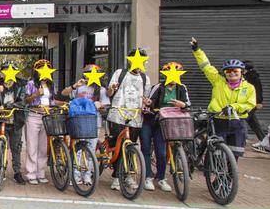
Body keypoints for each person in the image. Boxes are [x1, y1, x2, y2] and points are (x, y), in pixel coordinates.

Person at [191, 37, 256, 162]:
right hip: (219, 121)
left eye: (235, 71)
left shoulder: (249, 88)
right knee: (217, 154)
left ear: (242, 72)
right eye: (228, 71)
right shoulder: (218, 81)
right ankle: (213, 175)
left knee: (234, 156)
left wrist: (234, 107)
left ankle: (229, 179)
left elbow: (250, 104)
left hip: (238, 123)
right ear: (224, 73)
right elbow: (206, 66)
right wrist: (197, 50)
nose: (232, 73)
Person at [140, 62, 191, 192]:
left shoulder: (182, 88)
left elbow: (188, 105)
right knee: (146, 149)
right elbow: (149, 102)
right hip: (150, 120)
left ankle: (161, 178)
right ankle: (148, 177)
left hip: (165, 123)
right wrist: (148, 103)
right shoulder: (158, 87)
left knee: (161, 152)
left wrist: (183, 104)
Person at [106, 49, 151, 191]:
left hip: (135, 116)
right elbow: (109, 93)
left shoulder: (145, 78)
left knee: (131, 147)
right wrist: (112, 89)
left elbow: (146, 98)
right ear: (130, 60)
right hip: (117, 114)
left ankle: (128, 176)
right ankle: (116, 177)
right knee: (118, 146)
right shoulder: (120, 73)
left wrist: (147, 103)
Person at [61, 64, 110, 187]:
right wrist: (74, 86)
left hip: (95, 124)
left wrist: (101, 106)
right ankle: (75, 174)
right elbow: (64, 93)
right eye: (88, 73)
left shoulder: (102, 90)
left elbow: (106, 108)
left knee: (90, 151)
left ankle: (87, 174)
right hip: (79, 123)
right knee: (78, 150)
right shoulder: (80, 87)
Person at [23, 59, 60, 184]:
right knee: (32, 146)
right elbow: (26, 100)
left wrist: (66, 103)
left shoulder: (51, 85)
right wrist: (36, 94)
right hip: (34, 115)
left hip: (47, 117)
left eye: (47, 68)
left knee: (43, 147)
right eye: (41, 68)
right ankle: (31, 173)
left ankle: (41, 172)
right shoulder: (31, 84)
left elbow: (53, 101)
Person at [0, 61, 26, 184]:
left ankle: (17, 172)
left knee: (16, 147)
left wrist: (5, 105)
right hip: (1, 120)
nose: (8, 72)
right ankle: (0, 171)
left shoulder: (21, 85)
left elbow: (22, 102)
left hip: (16, 120)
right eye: (5, 70)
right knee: (0, 145)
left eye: (11, 69)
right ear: (1, 72)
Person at [243, 61, 266, 143]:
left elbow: (258, 90)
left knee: (242, 119)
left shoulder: (253, 77)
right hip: (249, 102)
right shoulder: (247, 76)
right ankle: (263, 140)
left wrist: (259, 102)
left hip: (252, 102)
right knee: (253, 122)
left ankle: (242, 138)